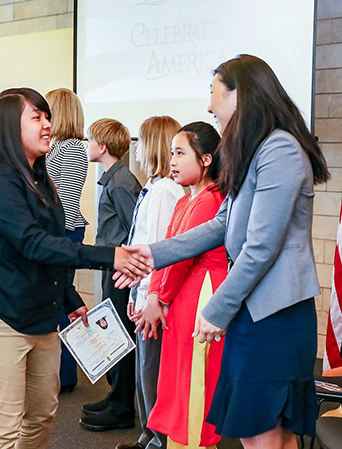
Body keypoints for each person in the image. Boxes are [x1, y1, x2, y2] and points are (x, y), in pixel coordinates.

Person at [120, 55, 330, 449]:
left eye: (214, 92)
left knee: (262, 433)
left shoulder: (279, 150)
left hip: (274, 315)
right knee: (261, 433)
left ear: (241, 94)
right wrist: (151, 254)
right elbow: (221, 225)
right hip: (255, 311)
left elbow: (261, 246)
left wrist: (217, 308)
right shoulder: (255, 151)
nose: (209, 106)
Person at [0, 88, 149, 449]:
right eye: (37, 117)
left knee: (41, 417)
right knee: (1, 430)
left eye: (47, 117)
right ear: (10, 127)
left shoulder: (41, 178)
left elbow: (49, 249)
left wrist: (69, 297)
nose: (48, 125)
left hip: (41, 315)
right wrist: (111, 256)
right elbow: (32, 242)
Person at [139, 122, 227, 449]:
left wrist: (157, 298)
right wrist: (153, 295)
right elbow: (168, 251)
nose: (172, 161)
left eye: (180, 153)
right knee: (178, 379)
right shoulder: (184, 200)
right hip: (183, 295)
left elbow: (181, 259)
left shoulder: (209, 199)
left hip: (202, 291)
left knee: (194, 383)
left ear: (206, 160)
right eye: (171, 153)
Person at [116, 115, 184, 449]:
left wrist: (146, 297)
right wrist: (133, 292)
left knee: (151, 372)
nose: (136, 149)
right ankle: (148, 436)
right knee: (146, 370)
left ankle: (157, 440)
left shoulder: (163, 192)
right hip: (143, 292)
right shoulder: (154, 187)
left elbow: (157, 251)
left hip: (153, 297)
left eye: (140, 141)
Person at [80, 118, 142, 431]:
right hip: (112, 268)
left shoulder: (120, 183)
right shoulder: (113, 178)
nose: (86, 145)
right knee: (113, 332)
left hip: (121, 272)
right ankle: (116, 395)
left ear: (102, 147)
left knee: (120, 335)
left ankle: (121, 408)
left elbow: (137, 230)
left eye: (90, 140)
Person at [46, 87, 88, 392]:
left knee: (62, 299)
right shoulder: (57, 146)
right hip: (55, 232)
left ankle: (66, 376)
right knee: (56, 299)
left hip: (65, 232)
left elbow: (68, 203)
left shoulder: (72, 148)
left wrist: (51, 240)